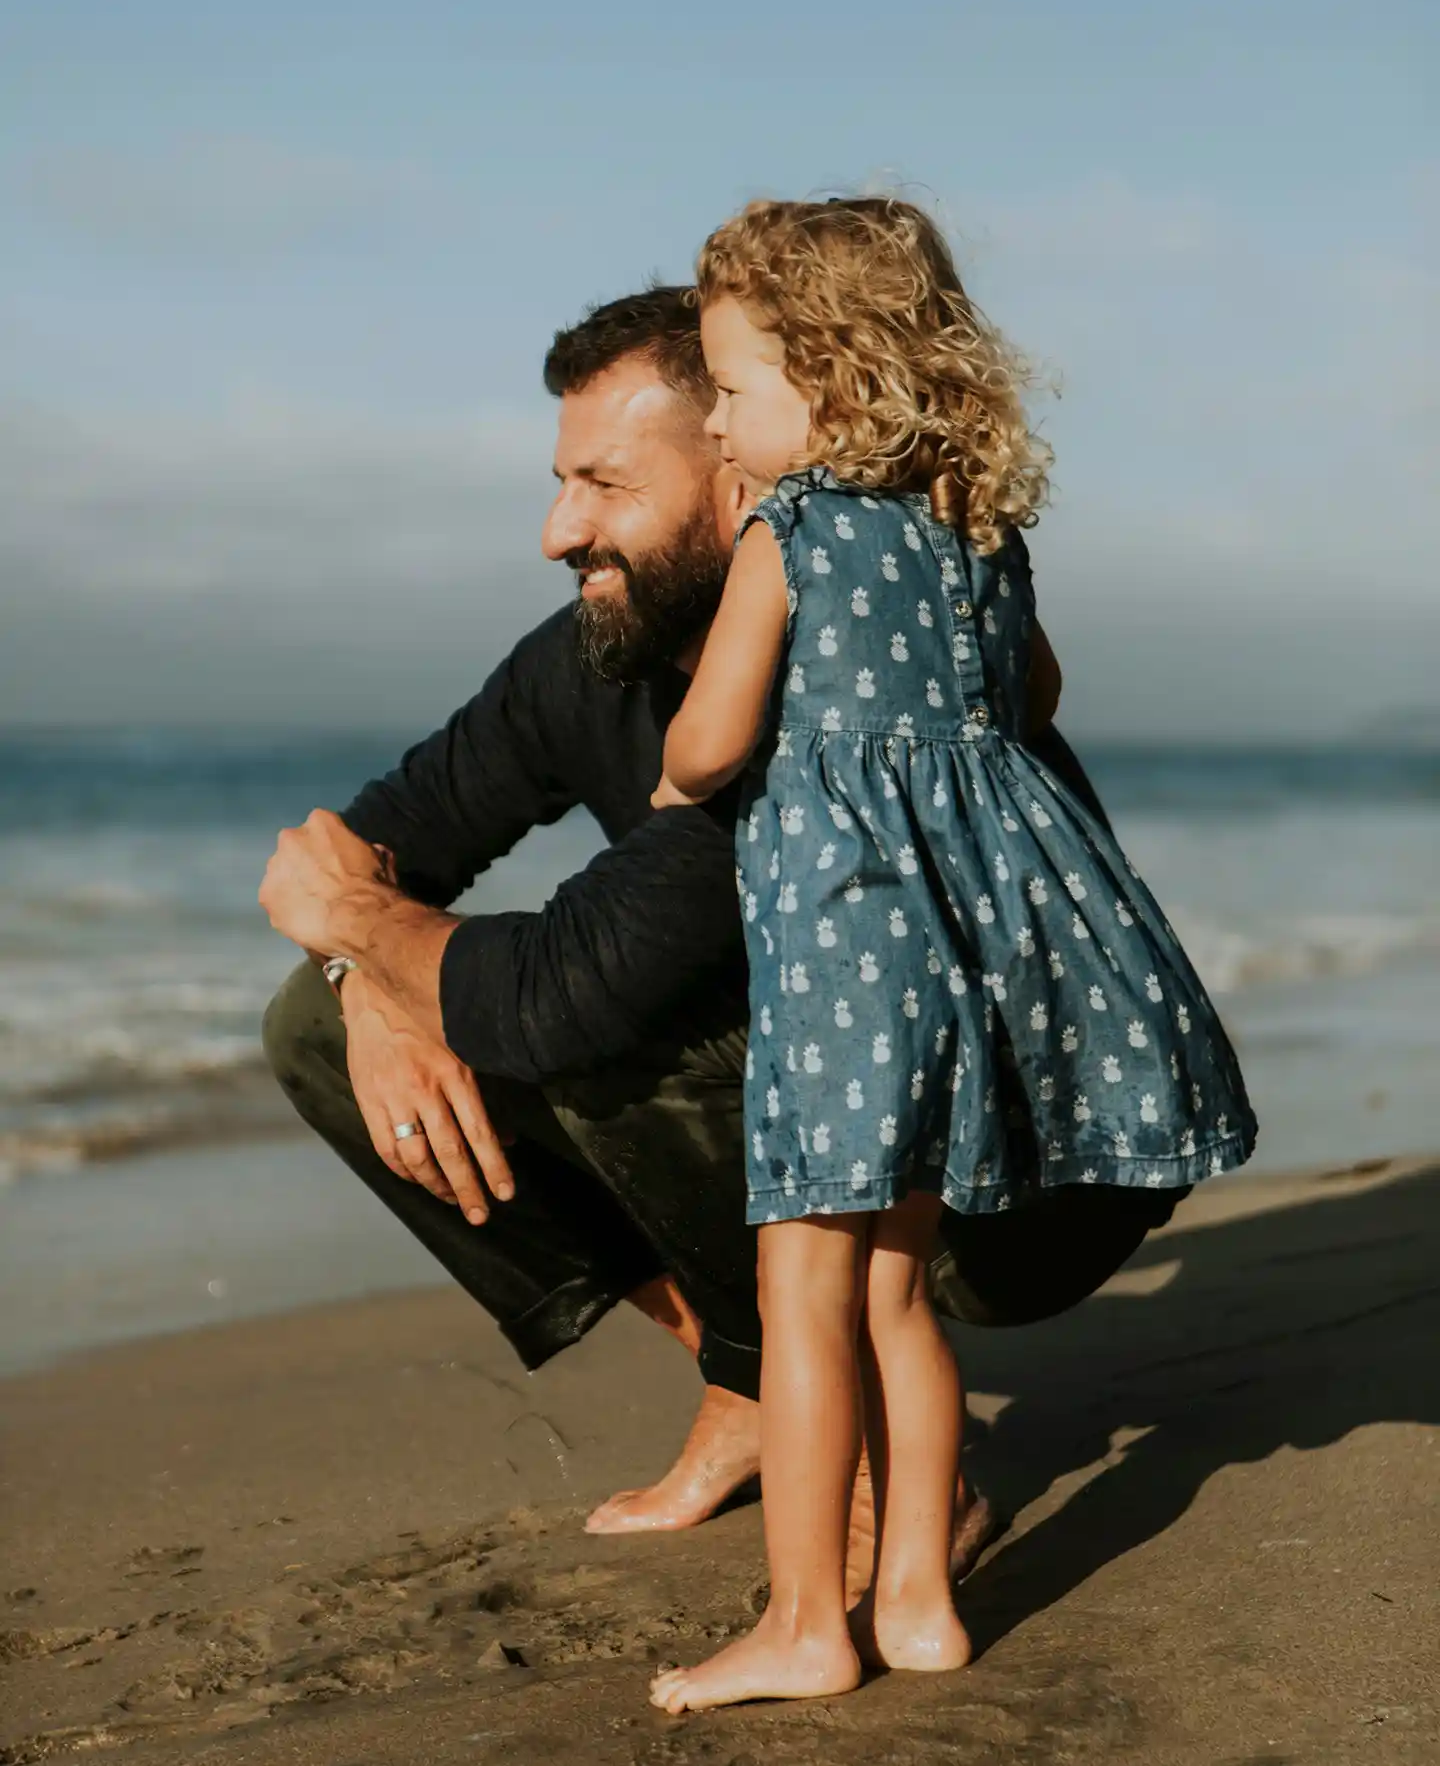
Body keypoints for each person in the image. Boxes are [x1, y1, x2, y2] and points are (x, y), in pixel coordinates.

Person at [257, 283, 1198, 1598]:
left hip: (1025, 1172)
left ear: (743, 473)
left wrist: (368, 931)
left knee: (595, 1024)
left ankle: (885, 1469)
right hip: (841, 1111)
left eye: (604, 486)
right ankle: (757, 1384)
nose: (557, 531)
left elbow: (560, 996)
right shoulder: (597, 648)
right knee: (314, 1024)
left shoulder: (834, 687)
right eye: (559, 482)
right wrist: (363, 980)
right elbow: (362, 848)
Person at [646, 198, 1256, 1715]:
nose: (714, 422)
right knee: (898, 1296)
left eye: (732, 387)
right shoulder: (978, 529)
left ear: (832, 380)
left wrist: (678, 773)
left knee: (803, 1291)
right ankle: (916, 1599)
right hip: (952, 956)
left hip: (840, 952)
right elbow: (1033, 691)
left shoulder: (791, 533)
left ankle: (807, 1621)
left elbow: (709, 743)